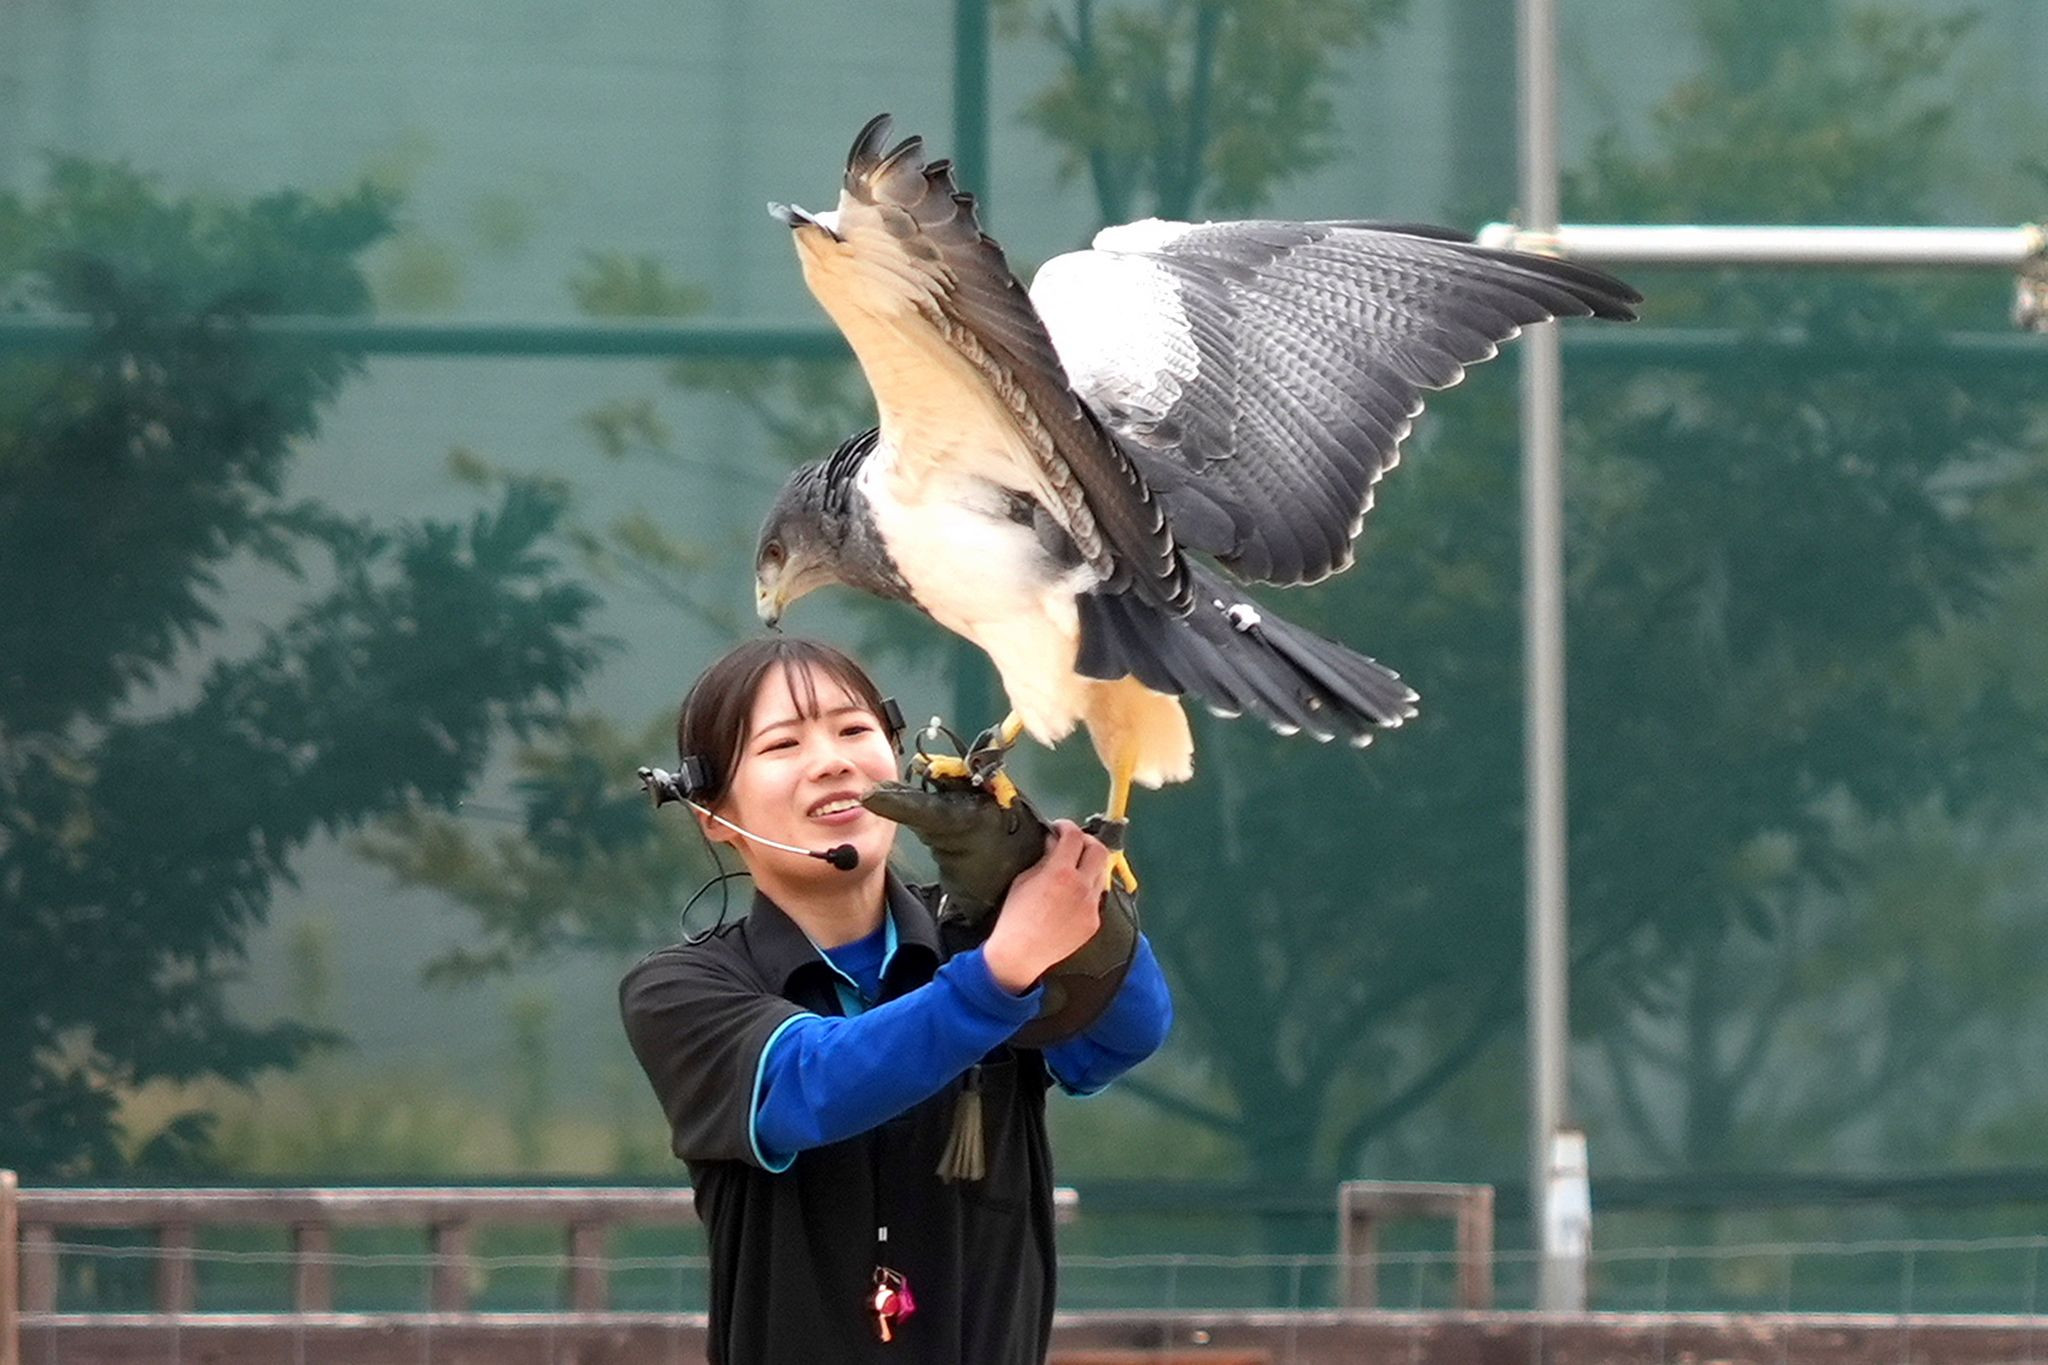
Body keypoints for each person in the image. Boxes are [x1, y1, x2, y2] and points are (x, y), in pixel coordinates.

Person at [620, 636, 1173, 1364]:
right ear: (713, 814)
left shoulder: (984, 928)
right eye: (783, 744)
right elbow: (811, 1082)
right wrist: (1002, 970)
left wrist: (1046, 889)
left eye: (854, 729)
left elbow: (1124, 1035)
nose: (831, 760)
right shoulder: (679, 990)